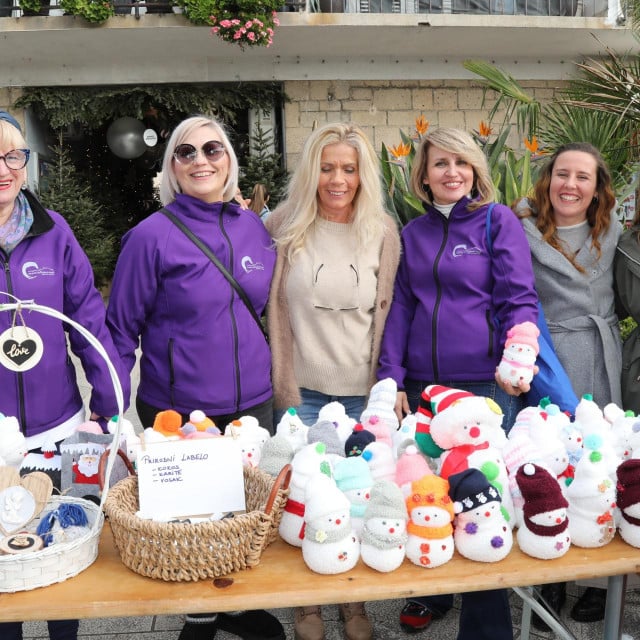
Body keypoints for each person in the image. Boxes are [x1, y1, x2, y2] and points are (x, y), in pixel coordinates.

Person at [106, 115, 284, 640]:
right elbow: (120, 330)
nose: (201, 160)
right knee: (188, 523)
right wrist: (111, 407)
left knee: (241, 514)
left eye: (213, 149)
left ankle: (234, 602)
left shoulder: (251, 224)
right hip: (180, 408)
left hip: (253, 402)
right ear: (172, 167)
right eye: (186, 153)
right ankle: (198, 614)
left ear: (229, 160)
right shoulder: (150, 237)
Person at [377, 127, 539, 639]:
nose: (452, 173)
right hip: (426, 384)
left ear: (475, 171)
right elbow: (402, 308)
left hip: (483, 387)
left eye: (461, 163)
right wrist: (391, 378)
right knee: (425, 486)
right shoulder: (414, 233)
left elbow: (519, 295)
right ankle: (432, 590)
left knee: (481, 500)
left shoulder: (497, 221)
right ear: (423, 175)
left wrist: (520, 352)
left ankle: (487, 625)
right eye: (440, 163)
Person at [266, 121, 401, 640]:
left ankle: (353, 602)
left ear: (363, 174)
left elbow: (395, 313)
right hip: (302, 391)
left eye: (348, 168)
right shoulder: (282, 225)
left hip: (363, 394)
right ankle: (308, 605)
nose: (337, 179)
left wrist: (391, 386)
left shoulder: (384, 232)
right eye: (326, 168)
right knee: (305, 498)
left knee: (356, 499)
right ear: (311, 172)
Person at [0, 112, 129, 640]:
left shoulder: (55, 234)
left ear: (25, 166)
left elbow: (88, 323)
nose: (3, 169)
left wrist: (109, 400)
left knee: (60, 543)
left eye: (13, 156)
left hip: (55, 426)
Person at [515, 141, 622, 629]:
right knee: (548, 462)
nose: (570, 185)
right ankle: (549, 573)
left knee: (599, 460)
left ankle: (599, 580)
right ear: (548, 178)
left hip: (600, 356)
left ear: (597, 187)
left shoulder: (615, 231)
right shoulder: (522, 231)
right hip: (550, 359)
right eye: (562, 174)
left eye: (583, 177)